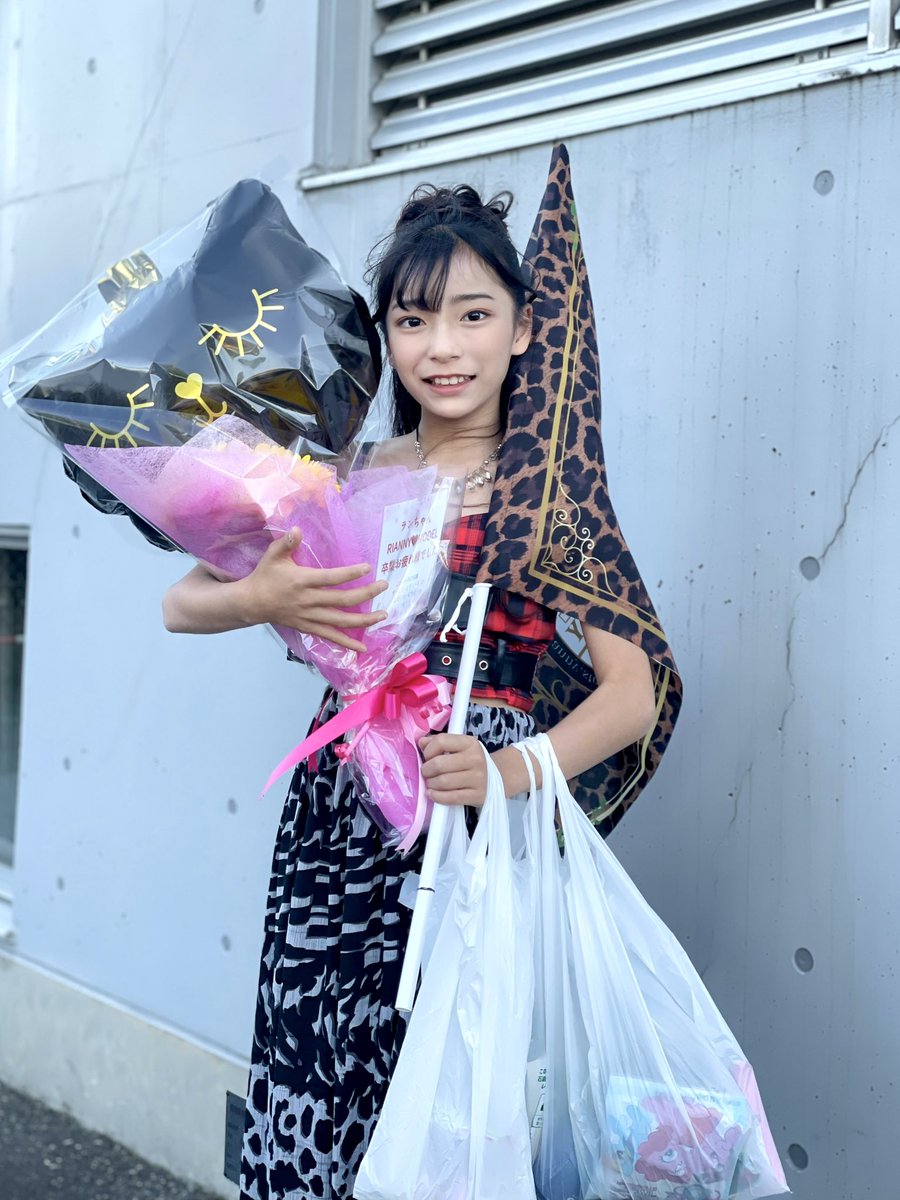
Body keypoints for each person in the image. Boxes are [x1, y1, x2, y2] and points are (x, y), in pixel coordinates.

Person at [162, 184, 657, 1200]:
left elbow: (632, 694)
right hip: (338, 815)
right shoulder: (343, 471)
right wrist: (261, 596)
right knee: (316, 1062)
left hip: (471, 828)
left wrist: (507, 770)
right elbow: (180, 603)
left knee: (445, 1091)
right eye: (414, 319)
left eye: (474, 315)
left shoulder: (550, 492)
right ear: (385, 335)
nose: (443, 347)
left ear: (524, 329)